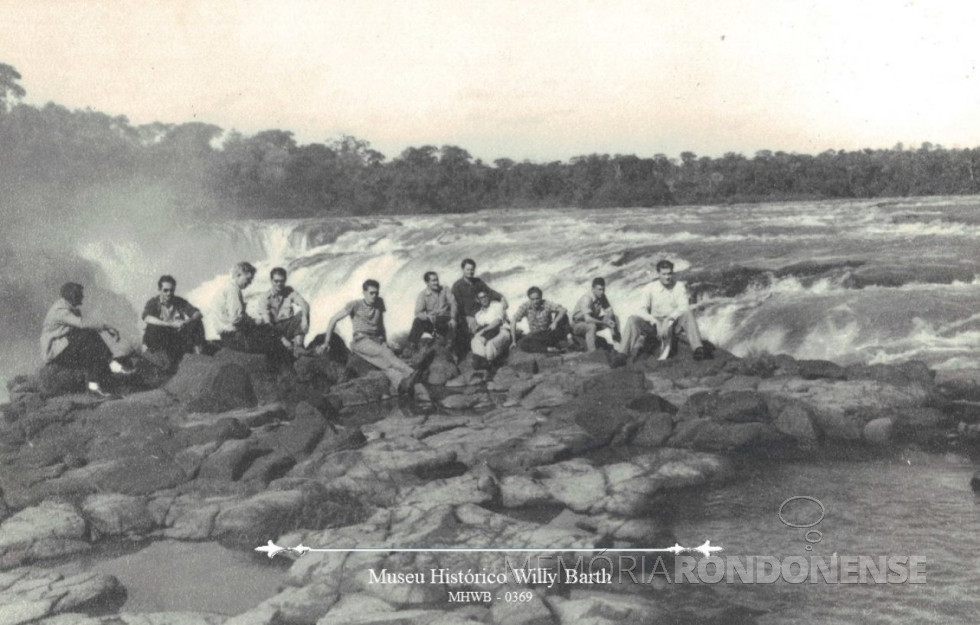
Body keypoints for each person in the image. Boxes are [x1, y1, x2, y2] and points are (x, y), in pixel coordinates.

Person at [316, 279, 418, 394]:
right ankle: (411, 373)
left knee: (383, 363)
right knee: (386, 354)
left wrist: (384, 341)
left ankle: (401, 383)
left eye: (376, 293)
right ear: (364, 292)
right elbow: (333, 319)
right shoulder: (355, 305)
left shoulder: (380, 302)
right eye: (371, 293)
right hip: (361, 340)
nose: (374, 296)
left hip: (376, 340)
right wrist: (326, 342)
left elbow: (381, 324)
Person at [41, 282, 131, 396]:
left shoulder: (70, 308)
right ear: (73, 295)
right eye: (80, 294)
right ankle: (110, 366)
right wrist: (107, 327)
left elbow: (85, 325)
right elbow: (82, 323)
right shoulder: (60, 310)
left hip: (64, 347)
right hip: (54, 352)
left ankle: (98, 385)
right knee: (88, 336)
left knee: (90, 348)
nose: (83, 296)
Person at [618, 259, 710, 361]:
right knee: (632, 319)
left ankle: (698, 349)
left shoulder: (679, 286)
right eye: (664, 274)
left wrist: (669, 319)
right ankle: (622, 354)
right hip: (654, 326)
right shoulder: (650, 287)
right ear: (658, 274)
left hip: (674, 325)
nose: (667, 277)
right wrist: (654, 321)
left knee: (688, 313)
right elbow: (641, 309)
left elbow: (683, 307)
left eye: (669, 274)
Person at [141, 275, 206, 368]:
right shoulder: (153, 302)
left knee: (197, 323)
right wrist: (171, 324)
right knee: (152, 327)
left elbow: (197, 313)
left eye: (172, 290)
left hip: (176, 337)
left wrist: (186, 322)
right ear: (159, 290)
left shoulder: (179, 301)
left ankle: (200, 355)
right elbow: (146, 317)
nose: (169, 293)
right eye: (165, 290)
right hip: (161, 337)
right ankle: (159, 358)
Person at [451, 258, 507, 358]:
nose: (470, 272)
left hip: (482, 312)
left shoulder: (478, 282)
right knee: (477, 335)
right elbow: (456, 305)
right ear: (463, 269)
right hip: (468, 316)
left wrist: (501, 297)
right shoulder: (457, 286)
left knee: (498, 322)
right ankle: (483, 354)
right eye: (468, 269)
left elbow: (489, 292)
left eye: (472, 269)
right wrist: (467, 318)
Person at [261, 267, 310, 356]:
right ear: (271, 281)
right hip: (275, 330)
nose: (279, 284)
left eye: (282, 281)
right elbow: (268, 325)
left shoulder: (289, 291)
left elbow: (305, 305)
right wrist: (283, 339)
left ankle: (298, 346)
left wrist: (305, 319)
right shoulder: (265, 298)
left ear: (285, 280)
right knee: (265, 328)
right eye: (276, 281)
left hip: (288, 325)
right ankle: (289, 347)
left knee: (303, 313)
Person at [511, 286, 570, 353]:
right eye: (532, 299)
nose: (535, 301)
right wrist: (513, 341)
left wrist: (555, 322)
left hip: (549, 332)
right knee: (523, 343)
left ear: (541, 297)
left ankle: (570, 338)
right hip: (536, 335)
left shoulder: (546, 303)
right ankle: (549, 349)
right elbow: (514, 320)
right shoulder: (525, 306)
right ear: (529, 299)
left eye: (537, 298)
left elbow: (563, 309)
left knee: (563, 316)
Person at [408, 271, 457, 348]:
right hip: (432, 321)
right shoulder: (423, 295)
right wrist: (427, 316)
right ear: (427, 282)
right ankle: (412, 346)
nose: (436, 283)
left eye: (437, 280)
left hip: (445, 318)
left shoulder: (445, 290)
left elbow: (453, 303)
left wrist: (453, 317)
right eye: (433, 281)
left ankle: (450, 347)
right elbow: (417, 312)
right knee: (417, 321)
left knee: (455, 323)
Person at [571, 277, 620, 351]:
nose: (602, 292)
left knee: (614, 318)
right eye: (599, 289)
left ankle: (618, 343)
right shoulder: (587, 298)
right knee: (592, 326)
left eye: (603, 289)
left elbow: (610, 311)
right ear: (593, 289)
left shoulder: (601, 296)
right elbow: (588, 319)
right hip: (578, 325)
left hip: (592, 320)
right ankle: (593, 352)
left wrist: (609, 319)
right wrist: (604, 322)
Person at [470, 290, 511, 365]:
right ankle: (483, 361)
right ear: (478, 300)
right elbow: (480, 327)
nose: (484, 299)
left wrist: (483, 331)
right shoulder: (478, 315)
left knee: (490, 345)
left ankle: (489, 361)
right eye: (481, 298)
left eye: (485, 296)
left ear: (488, 297)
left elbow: (497, 322)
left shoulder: (498, 306)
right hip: (489, 334)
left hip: (502, 330)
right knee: (474, 341)